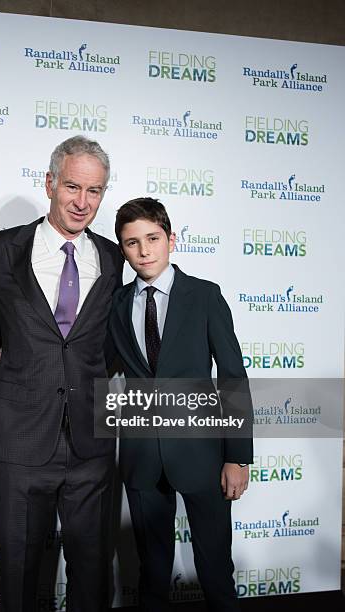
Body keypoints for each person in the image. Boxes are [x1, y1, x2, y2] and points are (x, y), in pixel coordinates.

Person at [0, 135, 123, 612]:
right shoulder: (1, 251)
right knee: (16, 573)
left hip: (91, 444)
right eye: (73, 187)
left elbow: (110, 343)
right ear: (50, 183)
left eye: (95, 191)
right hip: (20, 441)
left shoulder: (113, 257)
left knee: (93, 571)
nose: (82, 202)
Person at [109, 197, 253, 611]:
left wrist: (238, 457)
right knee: (151, 572)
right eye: (132, 243)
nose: (144, 250)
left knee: (214, 569)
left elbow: (231, 378)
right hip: (141, 455)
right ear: (123, 249)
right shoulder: (117, 304)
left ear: (171, 239)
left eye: (153, 238)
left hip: (202, 454)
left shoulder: (205, 296)